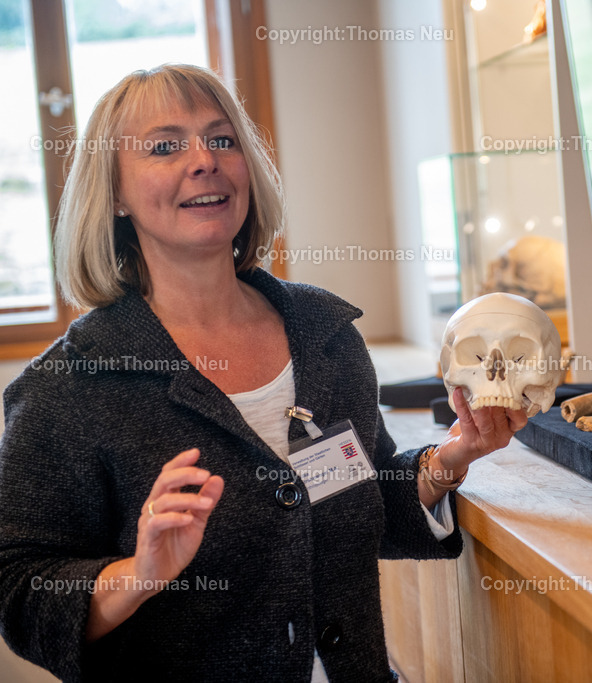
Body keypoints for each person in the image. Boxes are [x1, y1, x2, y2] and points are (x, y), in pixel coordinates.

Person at [0, 64, 526, 682]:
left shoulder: (325, 335)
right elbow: (21, 591)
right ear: (113, 193)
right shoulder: (68, 388)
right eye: (166, 146)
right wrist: (136, 575)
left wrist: (455, 455)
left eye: (222, 139)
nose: (205, 160)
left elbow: (360, 498)